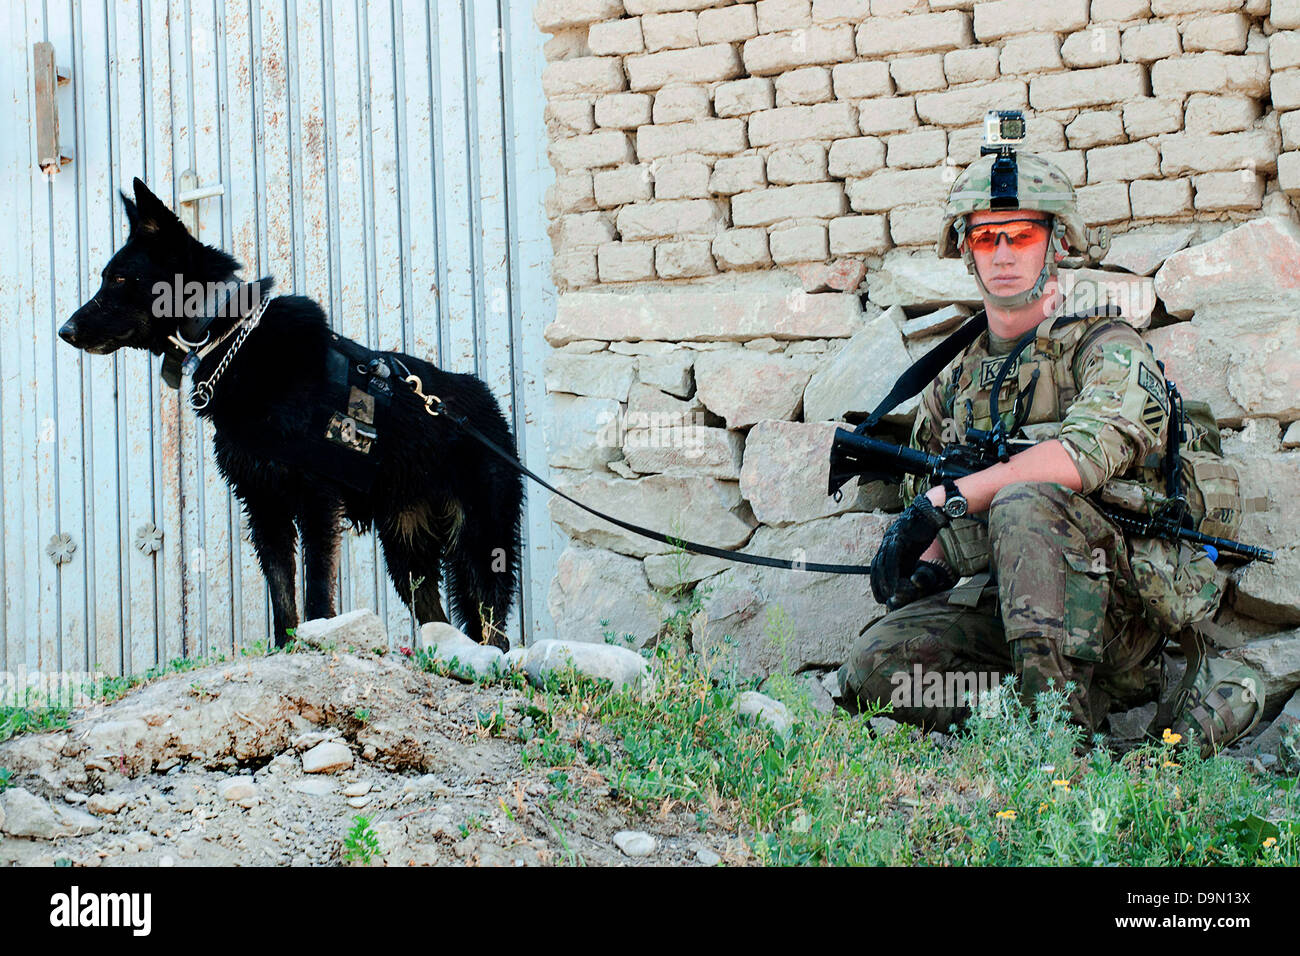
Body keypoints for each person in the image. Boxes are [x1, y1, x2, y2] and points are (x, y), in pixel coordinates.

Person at [836, 136, 1264, 753]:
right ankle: (1032, 718)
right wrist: (926, 560)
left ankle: (1057, 746)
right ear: (966, 250)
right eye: (986, 238)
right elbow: (940, 483)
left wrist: (950, 499)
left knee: (1024, 497)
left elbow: (1085, 453)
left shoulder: (1106, 345)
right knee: (878, 666)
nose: (1003, 253)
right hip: (1014, 617)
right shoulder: (955, 380)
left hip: (1120, 612)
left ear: (1056, 243)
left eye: (1021, 236)